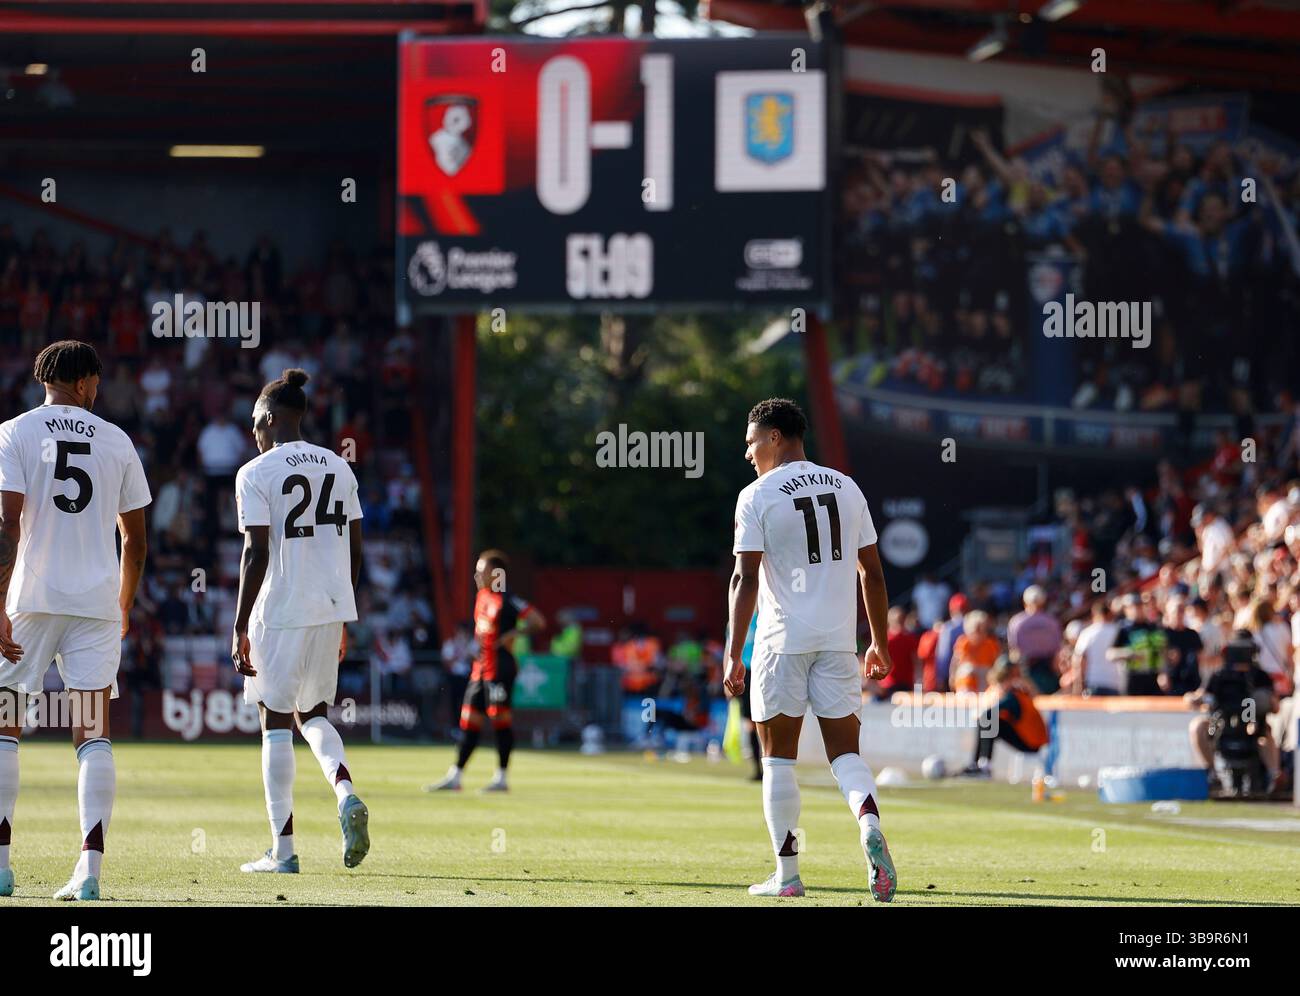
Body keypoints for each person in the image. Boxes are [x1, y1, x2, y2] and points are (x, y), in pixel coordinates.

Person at [722, 398, 897, 903]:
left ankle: (788, 875)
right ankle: (867, 823)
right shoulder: (847, 487)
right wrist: (879, 644)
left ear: (775, 437)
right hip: (839, 643)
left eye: (752, 441)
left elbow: (744, 576)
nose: (748, 452)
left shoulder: (756, 496)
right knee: (846, 755)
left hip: (780, 644)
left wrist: (734, 652)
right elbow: (874, 575)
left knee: (778, 762)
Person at [0, 340, 150, 903]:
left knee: (4, 726)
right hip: (94, 607)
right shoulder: (116, 440)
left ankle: (2, 866)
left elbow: (6, 526)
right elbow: (134, 542)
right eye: (97, 380)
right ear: (84, 382)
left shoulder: (14, 432)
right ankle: (89, 872)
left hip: (30, 600)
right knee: (92, 732)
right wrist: (123, 606)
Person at [231, 369, 369, 874]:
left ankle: (283, 851)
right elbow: (356, 549)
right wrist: (344, 611)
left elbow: (256, 552)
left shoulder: (255, 472)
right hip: (329, 608)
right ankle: (346, 792)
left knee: (273, 721)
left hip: (282, 608)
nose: (252, 432)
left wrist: (240, 622)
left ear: (269, 418)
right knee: (312, 715)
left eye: (254, 423)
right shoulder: (340, 466)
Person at [425, 550, 546, 793]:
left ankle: (501, 778)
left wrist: (514, 633)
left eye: (481, 571)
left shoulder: (508, 599)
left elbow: (538, 621)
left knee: (500, 720)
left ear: (496, 573)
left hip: (501, 669)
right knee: (469, 721)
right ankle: (455, 776)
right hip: (479, 669)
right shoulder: (482, 597)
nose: (476, 575)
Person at [959, 658, 1049, 777]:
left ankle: (983, 765)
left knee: (988, 721)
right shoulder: (999, 691)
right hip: (1031, 740)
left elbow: (988, 713)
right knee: (988, 722)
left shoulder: (1015, 694)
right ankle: (977, 764)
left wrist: (981, 714)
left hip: (1032, 743)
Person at [1006, 585, 1062, 693]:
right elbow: (1057, 649)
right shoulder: (1052, 622)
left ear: (1024, 601)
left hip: (1026, 668)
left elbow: (1013, 649)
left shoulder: (1017, 622)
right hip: (1047, 669)